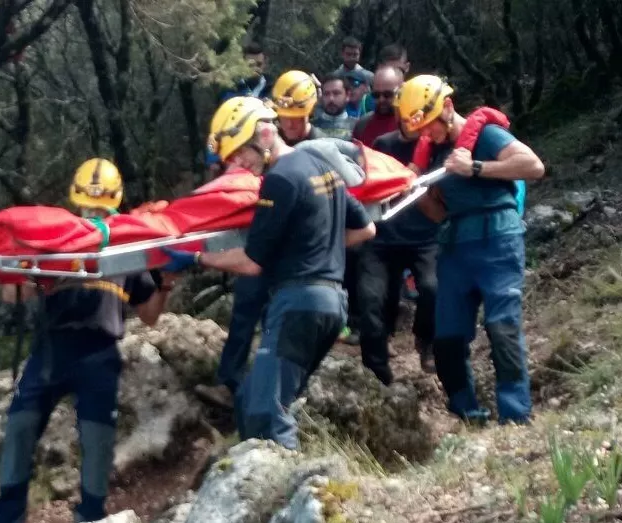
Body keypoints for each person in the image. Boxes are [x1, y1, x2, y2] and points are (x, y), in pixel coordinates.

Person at [0, 158, 173, 523]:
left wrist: (167, 280)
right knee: (18, 431)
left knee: (97, 442)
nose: (94, 215)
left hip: (99, 353)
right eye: (88, 208)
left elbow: (152, 314)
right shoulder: (56, 242)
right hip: (51, 349)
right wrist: (33, 275)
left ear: (114, 208)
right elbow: (9, 297)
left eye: (101, 209)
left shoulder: (128, 252)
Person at [164, 97, 376, 448]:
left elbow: (251, 263)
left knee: (267, 411)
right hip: (331, 304)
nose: (239, 163)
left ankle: (282, 488)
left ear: (263, 133)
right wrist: (313, 246)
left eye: (240, 153)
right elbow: (365, 230)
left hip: (298, 305)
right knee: (249, 400)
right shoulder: (320, 165)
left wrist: (198, 259)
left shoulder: (279, 180)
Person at [397, 75, 545, 424]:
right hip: (456, 247)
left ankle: (515, 415)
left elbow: (533, 166)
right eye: (420, 129)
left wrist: (475, 167)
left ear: (447, 107)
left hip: (498, 241)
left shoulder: (487, 135)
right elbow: (437, 213)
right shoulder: (430, 151)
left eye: (430, 125)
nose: (426, 134)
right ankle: (466, 411)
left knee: (502, 327)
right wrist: (414, 197)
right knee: (447, 336)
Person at [358, 123, 439, 385]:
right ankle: (377, 369)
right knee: (372, 298)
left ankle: (425, 338)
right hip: (384, 235)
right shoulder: (383, 143)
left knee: (432, 287)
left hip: (425, 236)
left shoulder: (437, 144)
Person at [353, 66, 403, 148]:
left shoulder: (410, 126)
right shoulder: (362, 125)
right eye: (376, 95)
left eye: (388, 94)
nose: (381, 99)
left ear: (402, 90)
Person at [271, 70, 326, 145]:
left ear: (310, 111)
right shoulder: (270, 143)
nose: (289, 124)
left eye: (295, 118)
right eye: (284, 117)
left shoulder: (322, 146)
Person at [312, 75, 357, 140]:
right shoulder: (310, 127)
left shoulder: (358, 127)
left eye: (336, 93)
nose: (331, 99)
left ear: (348, 96)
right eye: (326, 94)